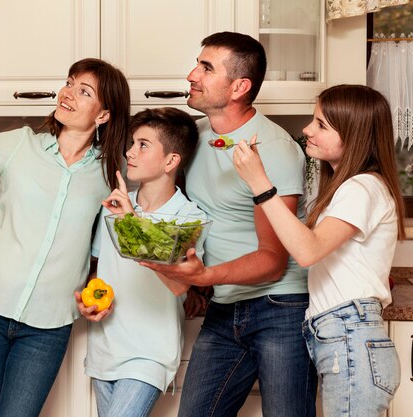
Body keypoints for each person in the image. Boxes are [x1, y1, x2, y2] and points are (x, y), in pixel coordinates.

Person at [0, 36, 130, 417]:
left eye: (84, 92)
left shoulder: (110, 173)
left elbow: (109, 246)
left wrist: (99, 285)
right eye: (69, 83)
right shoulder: (20, 145)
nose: (68, 94)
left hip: (48, 326)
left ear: (103, 115)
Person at [142, 31, 318, 417]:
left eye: (206, 68)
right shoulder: (196, 136)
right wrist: (195, 282)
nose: (192, 74)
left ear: (239, 86)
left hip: (280, 307)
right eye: (197, 63)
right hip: (224, 305)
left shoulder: (273, 150)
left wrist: (202, 278)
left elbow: (273, 258)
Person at [233, 84, 405, 417]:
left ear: (354, 135)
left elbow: (307, 251)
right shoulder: (350, 186)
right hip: (343, 335)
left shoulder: (363, 186)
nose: (307, 130)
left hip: (350, 335)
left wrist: (259, 183)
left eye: (321, 124)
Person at [74, 107, 207, 417]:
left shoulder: (190, 218)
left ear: (171, 161)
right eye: (132, 143)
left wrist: (130, 222)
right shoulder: (115, 205)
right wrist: (87, 301)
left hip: (150, 355)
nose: (130, 152)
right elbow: (100, 269)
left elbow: (178, 283)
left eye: (143, 145)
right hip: (103, 350)